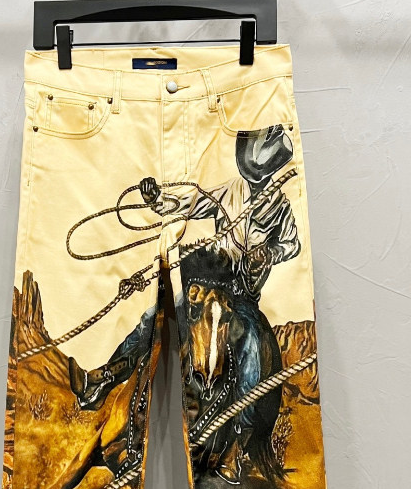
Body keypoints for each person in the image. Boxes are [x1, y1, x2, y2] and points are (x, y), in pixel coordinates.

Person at [69, 124, 299, 410]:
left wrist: (271, 252)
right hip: (213, 280)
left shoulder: (281, 208)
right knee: (152, 318)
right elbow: (191, 203)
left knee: (251, 342)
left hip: (242, 294)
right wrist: (156, 198)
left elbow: (292, 244)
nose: (253, 182)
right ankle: (102, 380)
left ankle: (245, 420)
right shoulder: (231, 189)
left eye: (258, 176)